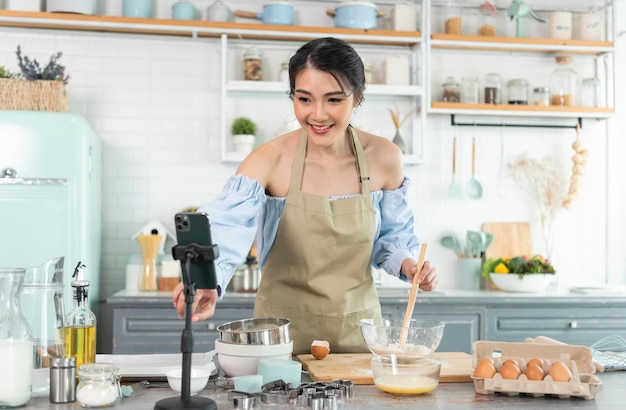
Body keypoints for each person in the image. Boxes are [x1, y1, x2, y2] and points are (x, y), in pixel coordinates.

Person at [172, 37, 438, 354]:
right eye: (304, 99)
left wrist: (408, 264)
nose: (318, 114)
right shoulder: (269, 159)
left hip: (358, 334)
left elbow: (392, 236)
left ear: (359, 96)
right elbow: (227, 225)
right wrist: (206, 279)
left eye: (334, 100)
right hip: (279, 337)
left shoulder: (384, 157)